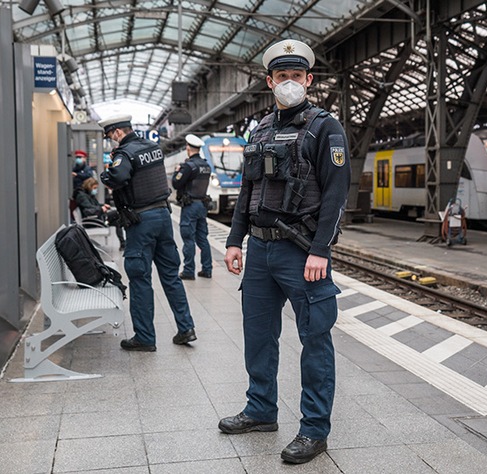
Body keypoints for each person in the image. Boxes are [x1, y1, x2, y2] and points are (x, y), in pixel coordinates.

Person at [218, 39, 351, 464]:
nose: (289, 83)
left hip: (301, 251)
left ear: (308, 80)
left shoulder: (325, 127)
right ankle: (261, 410)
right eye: (281, 77)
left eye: (297, 76)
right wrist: (234, 239)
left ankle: (314, 430)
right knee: (258, 336)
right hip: (259, 250)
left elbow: (335, 193)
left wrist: (320, 251)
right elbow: (248, 192)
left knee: (315, 339)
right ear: (269, 81)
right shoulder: (259, 130)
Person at [98, 115, 197, 352]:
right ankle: (186, 328)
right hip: (162, 215)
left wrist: (105, 174)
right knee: (171, 276)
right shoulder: (152, 148)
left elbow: (119, 177)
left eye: (111, 136)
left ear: (118, 133)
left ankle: (144, 337)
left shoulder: (125, 153)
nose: (112, 141)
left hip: (141, 221)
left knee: (140, 277)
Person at [172, 134, 213, 280]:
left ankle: (189, 270)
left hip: (190, 207)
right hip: (202, 205)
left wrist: (178, 171)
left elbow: (176, 183)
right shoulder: (206, 165)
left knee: (188, 238)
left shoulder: (189, 166)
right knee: (203, 238)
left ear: (188, 148)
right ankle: (207, 269)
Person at [74, 177, 126, 250]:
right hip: (92, 221)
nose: (96, 190)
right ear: (89, 186)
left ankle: (123, 244)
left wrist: (102, 206)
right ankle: (124, 243)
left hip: (96, 218)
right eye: (94, 188)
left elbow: (93, 206)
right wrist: (101, 209)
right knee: (117, 213)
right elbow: (88, 209)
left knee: (118, 222)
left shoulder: (87, 195)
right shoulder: (82, 196)